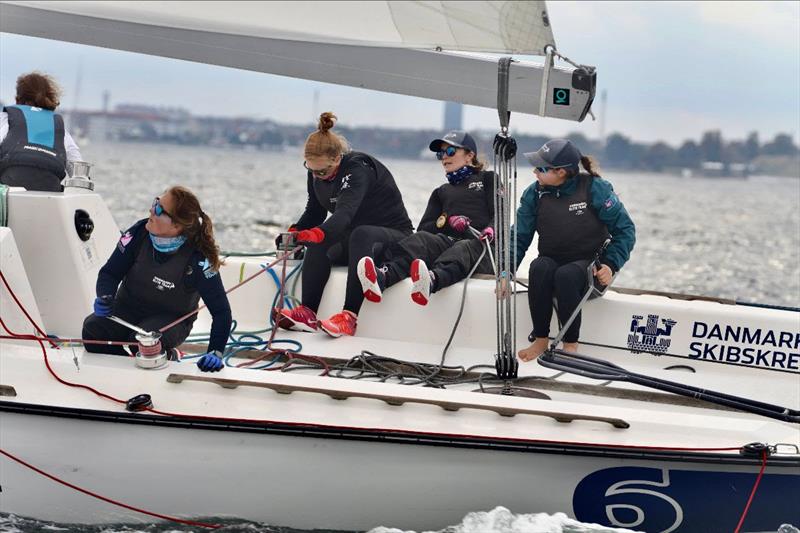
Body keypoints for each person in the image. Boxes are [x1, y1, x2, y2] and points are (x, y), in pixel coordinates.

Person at [274, 112, 413, 338]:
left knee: (357, 234)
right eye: (311, 170)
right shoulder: (317, 173)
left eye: (322, 171)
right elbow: (315, 211)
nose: (317, 176)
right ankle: (308, 312)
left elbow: (343, 215)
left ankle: (349, 317)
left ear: (337, 159)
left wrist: (316, 233)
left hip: (392, 236)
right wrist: (296, 231)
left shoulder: (357, 169)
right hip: (357, 237)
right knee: (322, 241)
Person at [82, 186, 232, 373]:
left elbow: (221, 312)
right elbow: (110, 274)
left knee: (143, 342)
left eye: (160, 210)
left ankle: (167, 355)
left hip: (170, 319)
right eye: (155, 203)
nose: (151, 210)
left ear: (177, 226)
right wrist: (105, 296)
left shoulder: (199, 259)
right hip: (127, 308)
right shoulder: (138, 233)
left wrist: (216, 352)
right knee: (92, 331)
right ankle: (123, 373)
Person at [511, 139, 635, 362]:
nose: (535, 172)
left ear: (561, 172)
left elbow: (625, 231)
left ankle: (570, 346)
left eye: (541, 168)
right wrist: (506, 270)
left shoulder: (596, 189)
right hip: (552, 259)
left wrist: (611, 264)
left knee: (566, 275)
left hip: (590, 266)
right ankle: (540, 340)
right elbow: (519, 235)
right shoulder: (534, 194)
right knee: (538, 267)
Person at [356, 130, 495, 306]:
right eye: (440, 153)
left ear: (469, 155)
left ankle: (432, 280)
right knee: (420, 240)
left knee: (463, 246)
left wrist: (490, 230)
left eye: (450, 151)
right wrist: (448, 221)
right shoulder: (441, 192)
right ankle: (383, 277)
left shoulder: (489, 179)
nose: (444, 157)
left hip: (484, 250)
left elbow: (501, 215)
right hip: (452, 244)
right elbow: (425, 229)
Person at [0, 71, 83, 192]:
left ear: (17, 99)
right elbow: (78, 170)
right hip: (49, 194)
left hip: (10, 188)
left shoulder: (5, 118)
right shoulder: (59, 127)